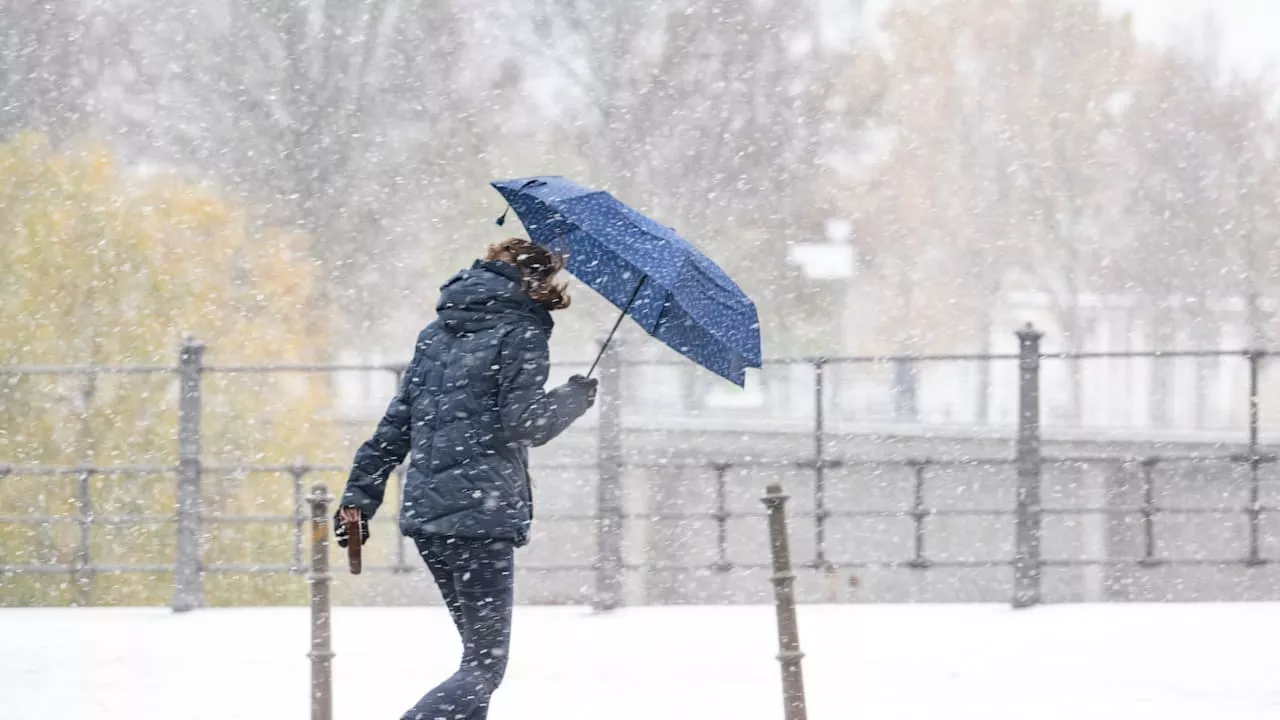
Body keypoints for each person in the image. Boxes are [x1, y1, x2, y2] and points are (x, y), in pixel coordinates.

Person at [334, 237, 598, 720]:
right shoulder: (521, 333)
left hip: (430, 519)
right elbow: (527, 423)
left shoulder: (437, 331)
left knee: (474, 661)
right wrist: (574, 398)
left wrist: (358, 498)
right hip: (482, 517)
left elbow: (395, 428)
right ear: (534, 281)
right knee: (484, 666)